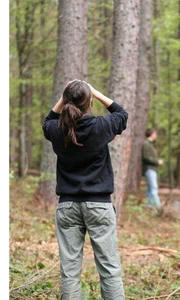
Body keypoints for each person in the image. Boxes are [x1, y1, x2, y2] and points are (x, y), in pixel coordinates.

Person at [42, 79, 127, 300]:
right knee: (109, 269)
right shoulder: (101, 126)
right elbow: (121, 114)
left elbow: (48, 120)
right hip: (99, 205)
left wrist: (63, 98)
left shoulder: (56, 129)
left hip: (67, 206)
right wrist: (96, 92)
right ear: (89, 101)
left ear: (66, 101)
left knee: (69, 271)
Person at [142, 128, 163, 209]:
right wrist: (157, 162)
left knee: (150, 188)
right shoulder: (146, 144)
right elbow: (146, 157)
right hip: (149, 169)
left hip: (152, 169)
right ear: (152, 134)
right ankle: (158, 206)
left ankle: (149, 205)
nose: (156, 135)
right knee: (154, 188)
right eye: (155, 133)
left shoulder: (150, 144)